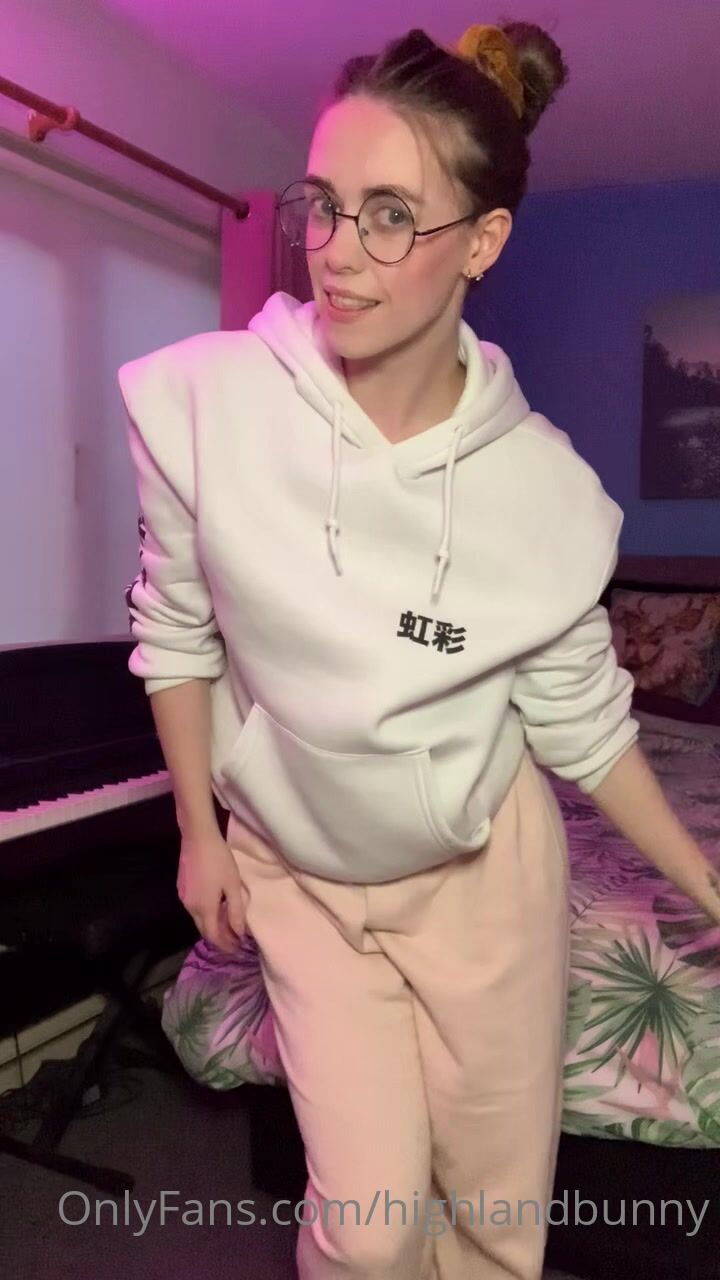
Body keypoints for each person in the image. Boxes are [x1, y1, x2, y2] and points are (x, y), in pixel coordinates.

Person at [117, 21, 720, 1280]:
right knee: (370, 1230)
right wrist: (197, 828)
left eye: (391, 215)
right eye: (325, 205)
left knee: (493, 1221)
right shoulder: (204, 404)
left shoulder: (543, 496)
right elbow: (175, 629)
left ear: (481, 242)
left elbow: (586, 725)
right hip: (301, 876)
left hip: (479, 879)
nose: (337, 252)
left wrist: (705, 885)